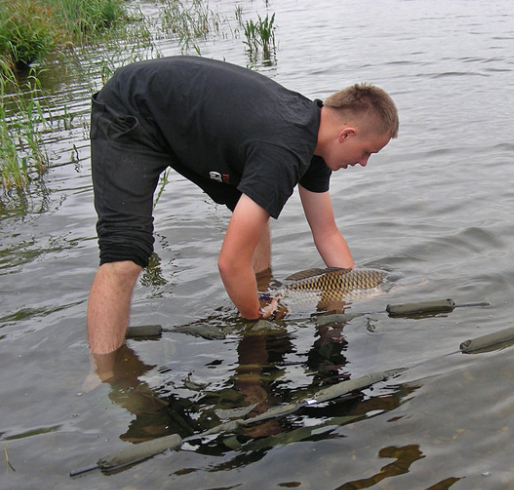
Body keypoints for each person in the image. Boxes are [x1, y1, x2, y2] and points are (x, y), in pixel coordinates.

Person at [86, 56, 399, 360]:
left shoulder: (316, 142)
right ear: (346, 134)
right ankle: (104, 377)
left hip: (182, 120)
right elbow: (229, 263)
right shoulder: (283, 147)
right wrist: (256, 320)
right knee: (125, 256)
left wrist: (352, 292)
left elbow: (327, 233)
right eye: (366, 152)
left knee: (256, 213)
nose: (363, 163)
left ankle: (262, 292)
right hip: (131, 110)